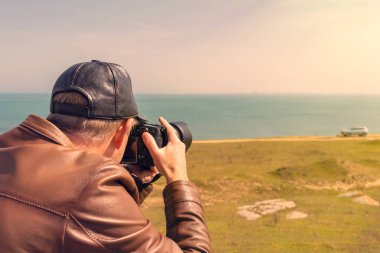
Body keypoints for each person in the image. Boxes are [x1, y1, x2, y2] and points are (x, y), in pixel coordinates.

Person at [0, 60, 211, 252]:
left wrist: (134, 185)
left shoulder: (6, 147)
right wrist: (178, 179)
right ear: (121, 131)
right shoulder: (93, 186)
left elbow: (77, 229)